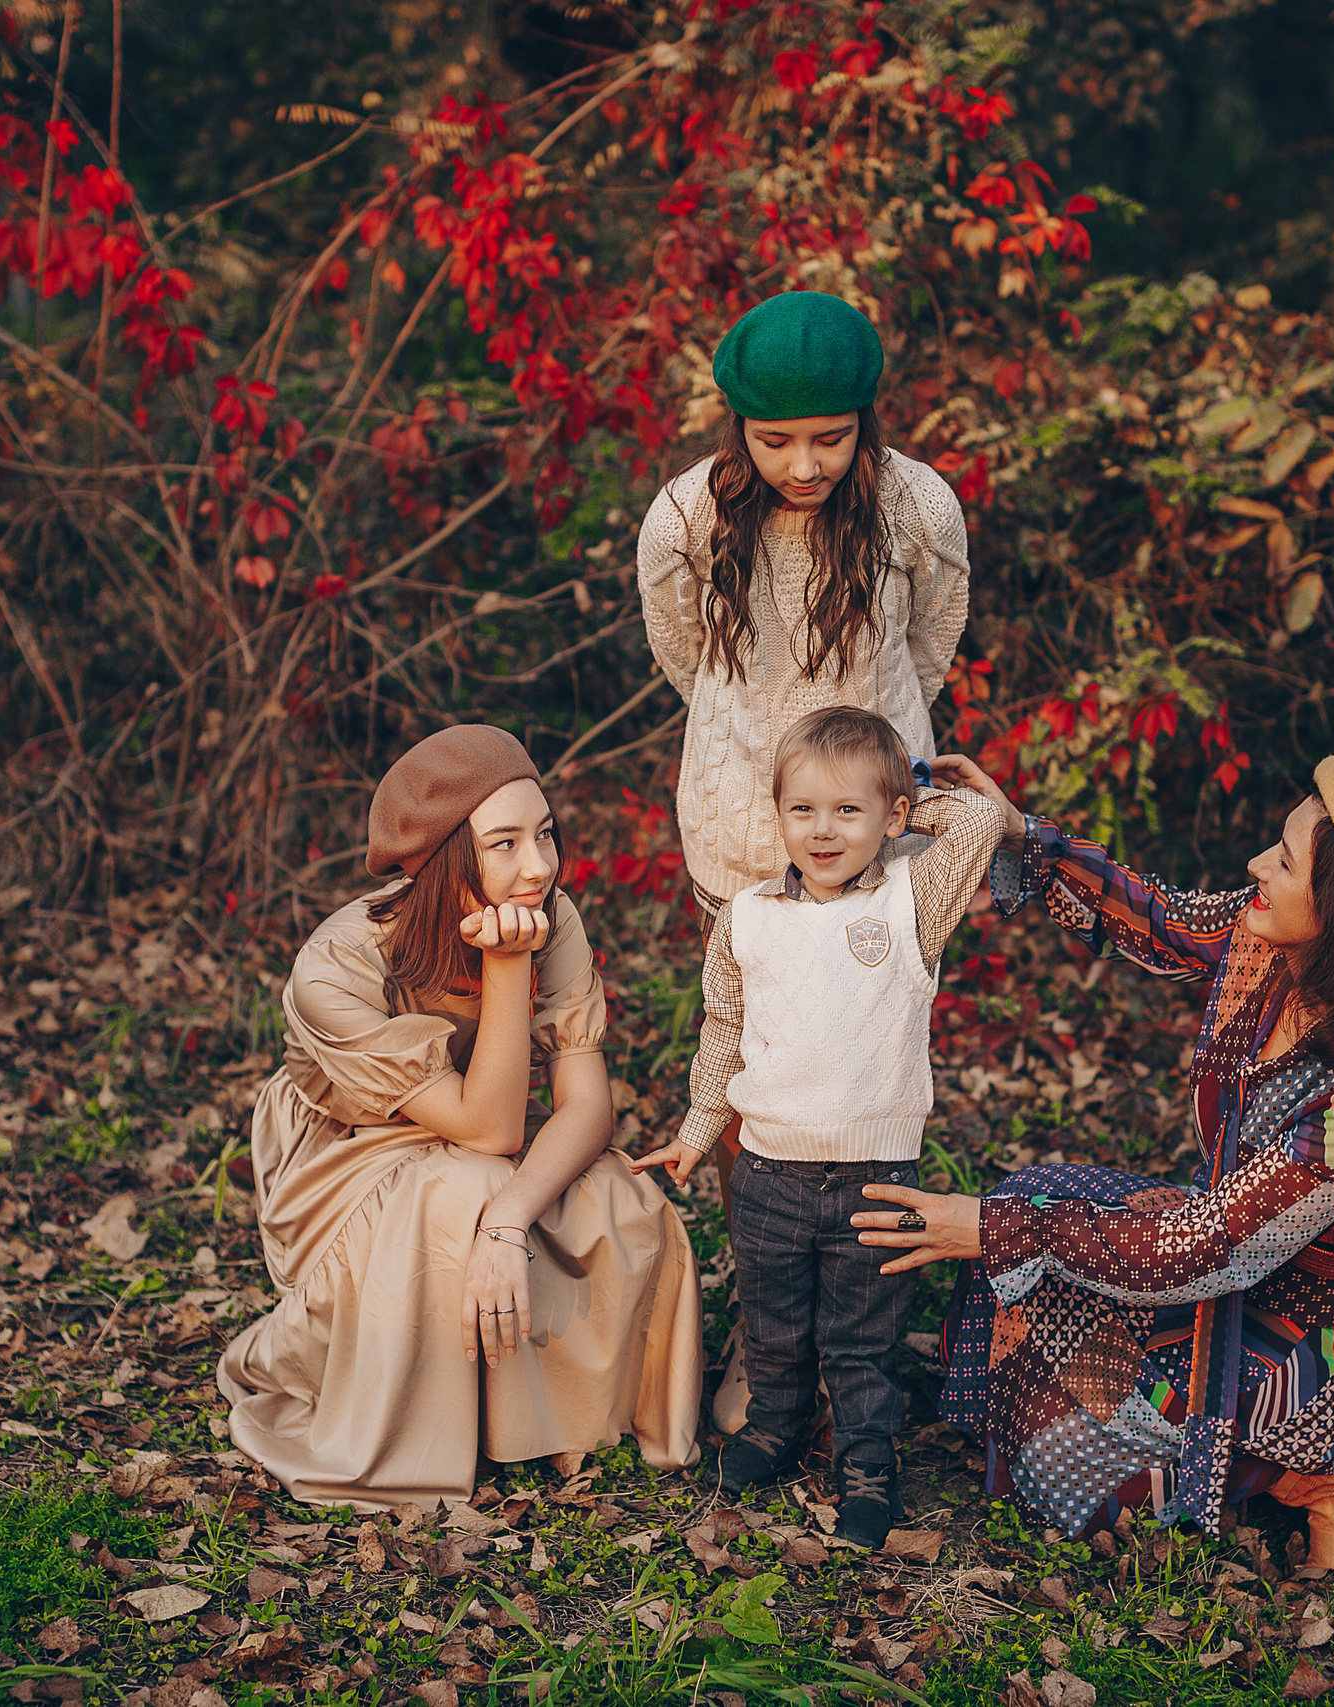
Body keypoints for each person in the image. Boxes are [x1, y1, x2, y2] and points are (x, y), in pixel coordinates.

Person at [845, 752, 1334, 1583]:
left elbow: (1204, 1247)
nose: (1258, 866)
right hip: (1228, 1246)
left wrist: (986, 1231)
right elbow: (1162, 919)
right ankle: (1228, 1455)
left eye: (1283, 861)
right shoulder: (1268, 943)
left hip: (1310, 1330)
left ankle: (1333, 1476)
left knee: (1061, 1457)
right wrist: (1022, 834)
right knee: (1028, 1212)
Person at [216, 725, 704, 1510]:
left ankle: (539, 1420)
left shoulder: (553, 916)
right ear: (446, 858)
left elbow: (586, 1108)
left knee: (622, 1201)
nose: (539, 865)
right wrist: (506, 965)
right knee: (466, 1181)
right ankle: (424, 1420)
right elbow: (491, 1132)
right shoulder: (338, 965)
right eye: (504, 843)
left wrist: (511, 1217)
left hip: (481, 1128)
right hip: (348, 1156)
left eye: (544, 833)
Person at [637, 289, 970, 1428]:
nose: (804, 463)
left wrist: (872, 767)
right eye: (775, 440)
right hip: (744, 821)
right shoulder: (683, 517)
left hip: (886, 824)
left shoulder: (919, 505)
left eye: (829, 437)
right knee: (762, 1059)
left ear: (865, 422)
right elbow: (682, 653)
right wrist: (762, 739)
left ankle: (862, 1335)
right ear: (736, 428)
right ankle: (768, 1327)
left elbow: (930, 643)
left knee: (868, 1059)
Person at [630, 707, 1007, 1547]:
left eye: (849, 810)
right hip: (768, 1173)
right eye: (803, 809)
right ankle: (774, 1429)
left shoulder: (914, 900)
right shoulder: (748, 914)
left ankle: (868, 1466)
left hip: (876, 1179)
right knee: (773, 1325)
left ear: (892, 818)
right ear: (778, 815)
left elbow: (980, 819)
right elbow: (724, 1028)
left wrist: (910, 787)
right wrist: (698, 1129)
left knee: (862, 1340)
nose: (824, 830)